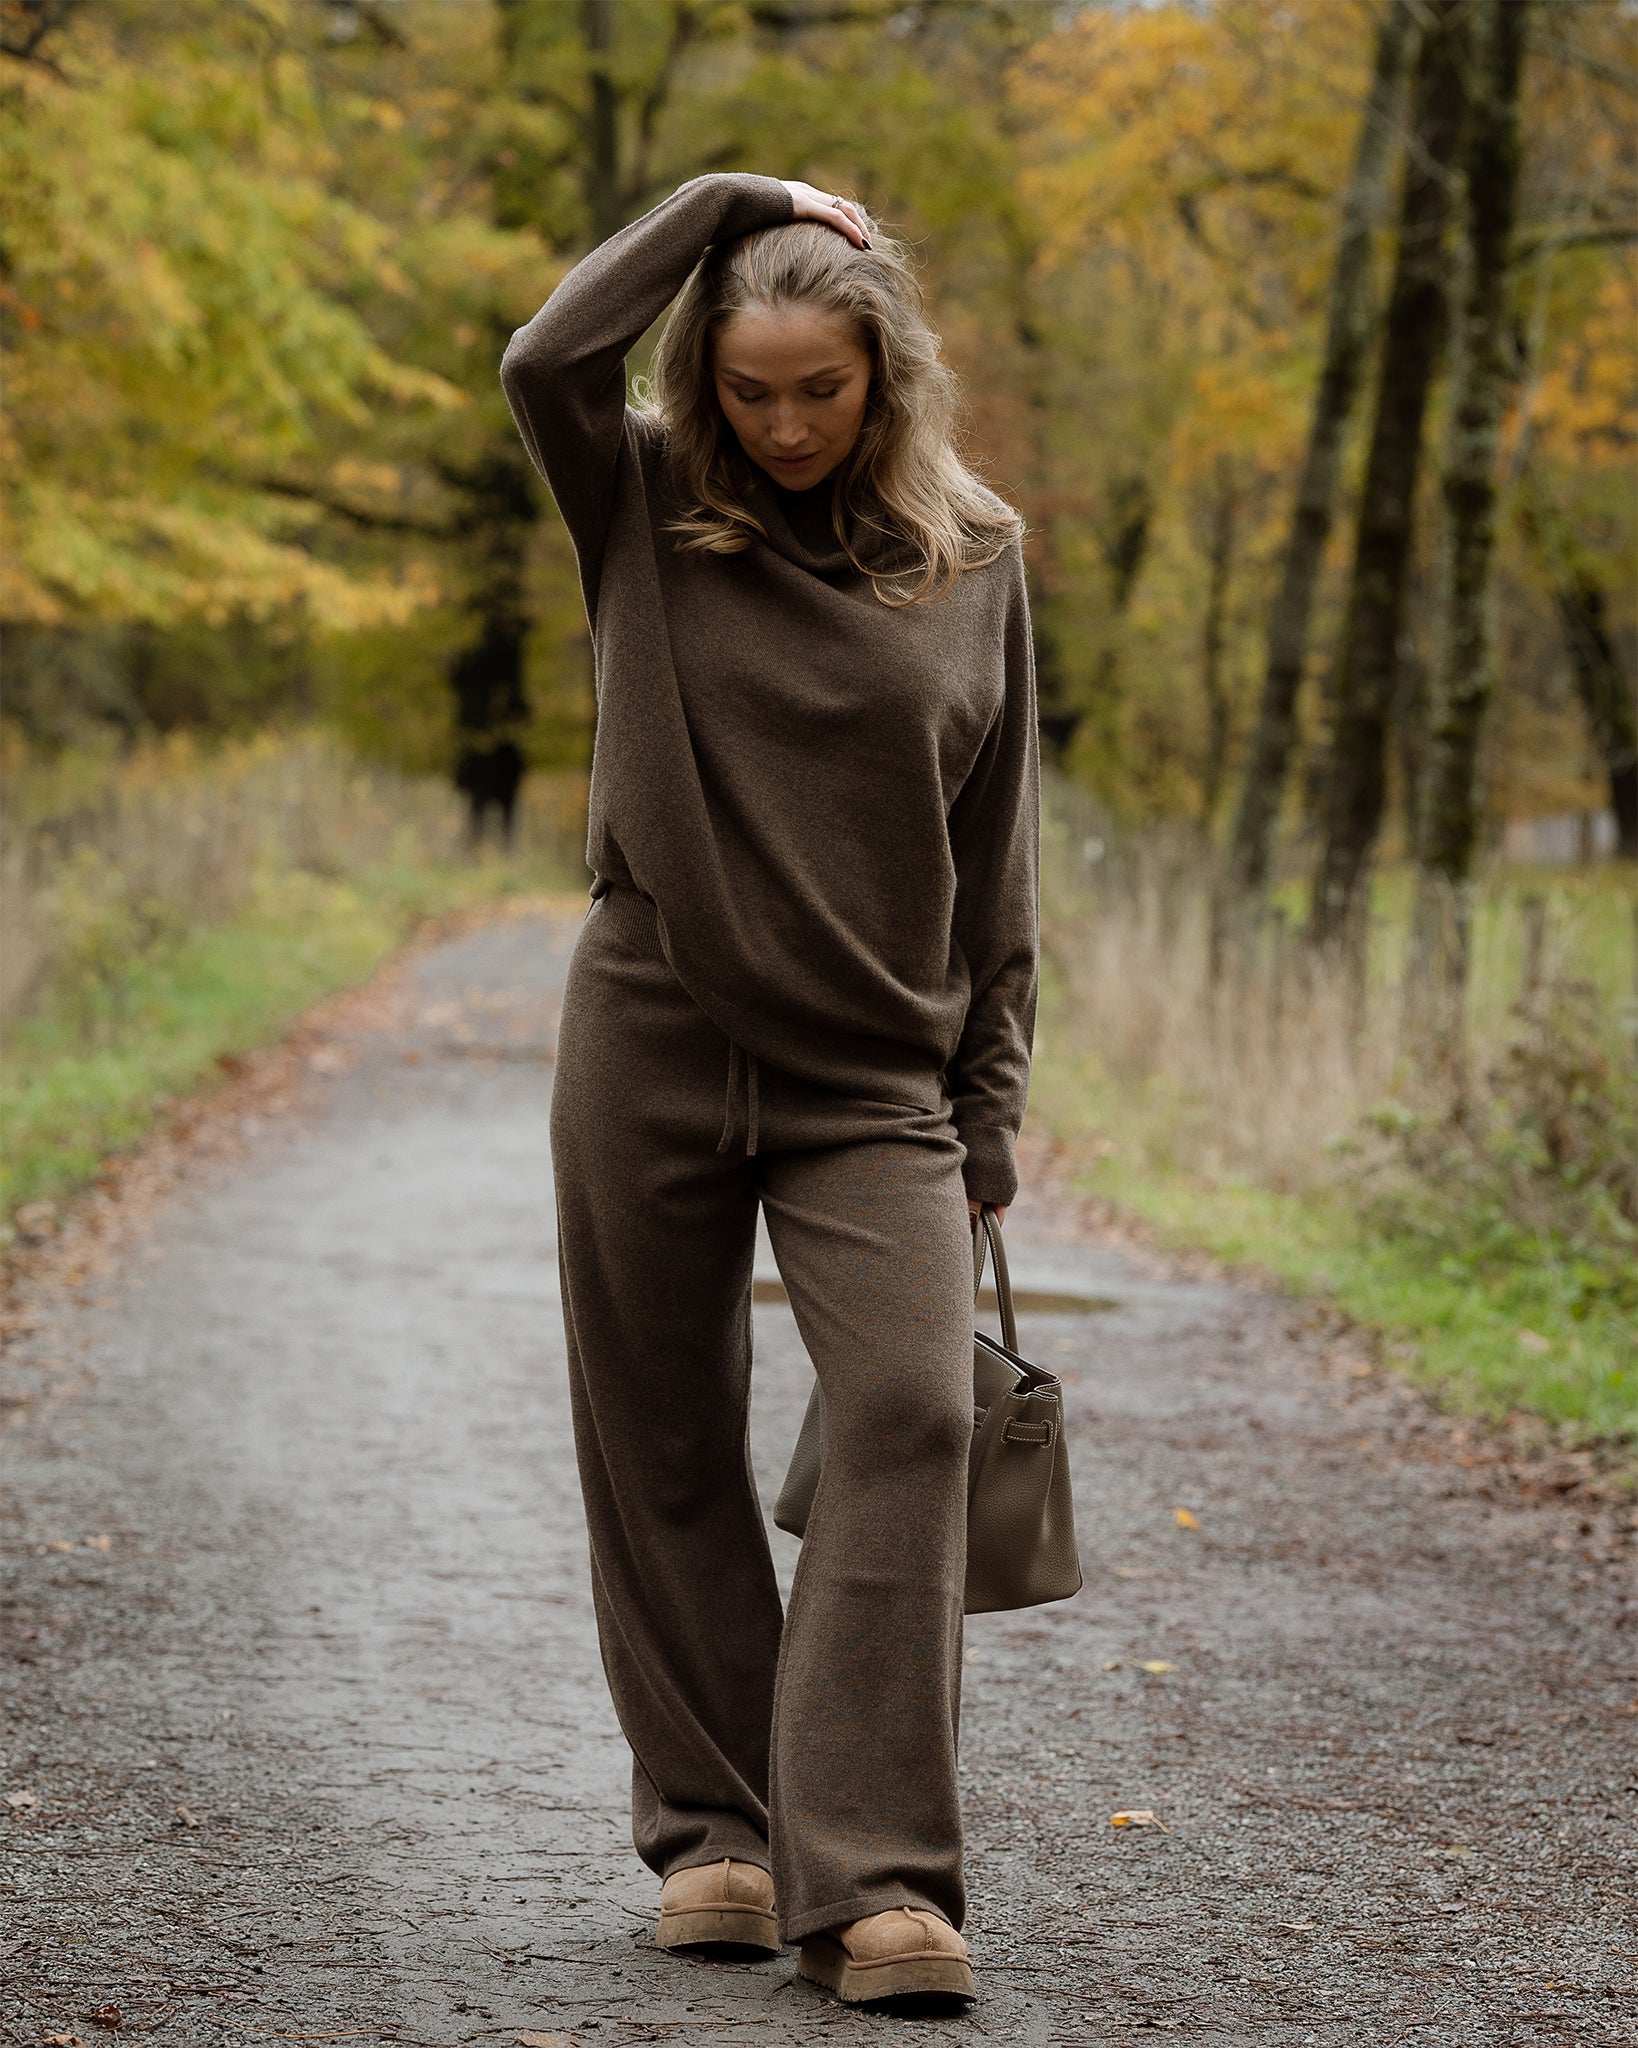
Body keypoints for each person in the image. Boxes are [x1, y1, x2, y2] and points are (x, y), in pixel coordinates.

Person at [499, 172, 1038, 2010]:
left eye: (824, 389)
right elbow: (545, 352)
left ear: (887, 381)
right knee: (659, 1441)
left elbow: (998, 856)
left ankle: (875, 1877)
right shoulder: (640, 498)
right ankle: (717, 1835)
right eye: (750, 389)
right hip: (649, 1027)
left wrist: (987, 1108)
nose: (788, 425)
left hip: (871, 1071)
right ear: (701, 383)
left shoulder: (974, 557)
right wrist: (731, 200)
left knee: (908, 1417)